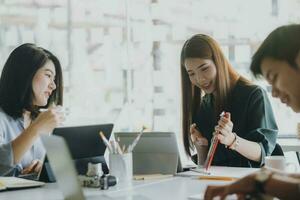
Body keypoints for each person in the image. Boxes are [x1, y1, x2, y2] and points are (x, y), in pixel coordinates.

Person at [204, 24, 300, 199]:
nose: (275, 93)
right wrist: (259, 178)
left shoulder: (252, 95)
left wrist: (260, 182)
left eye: (274, 77)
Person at [181, 34, 278, 168]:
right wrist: (202, 147)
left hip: (249, 182)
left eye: (204, 68)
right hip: (217, 182)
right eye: (191, 73)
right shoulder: (204, 105)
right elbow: (205, 166)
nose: (200, 79)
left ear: (218, 62)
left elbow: (263, 152)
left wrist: (232, 140)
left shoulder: (254, 95)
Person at [0, 43, 65, 176]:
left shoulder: (44, 120)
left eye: (54, 79)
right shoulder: (3, 118)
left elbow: (64, 169)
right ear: (25, 74)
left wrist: (45, 167)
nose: (53, 86)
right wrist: (36, 128)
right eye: (48, 75)